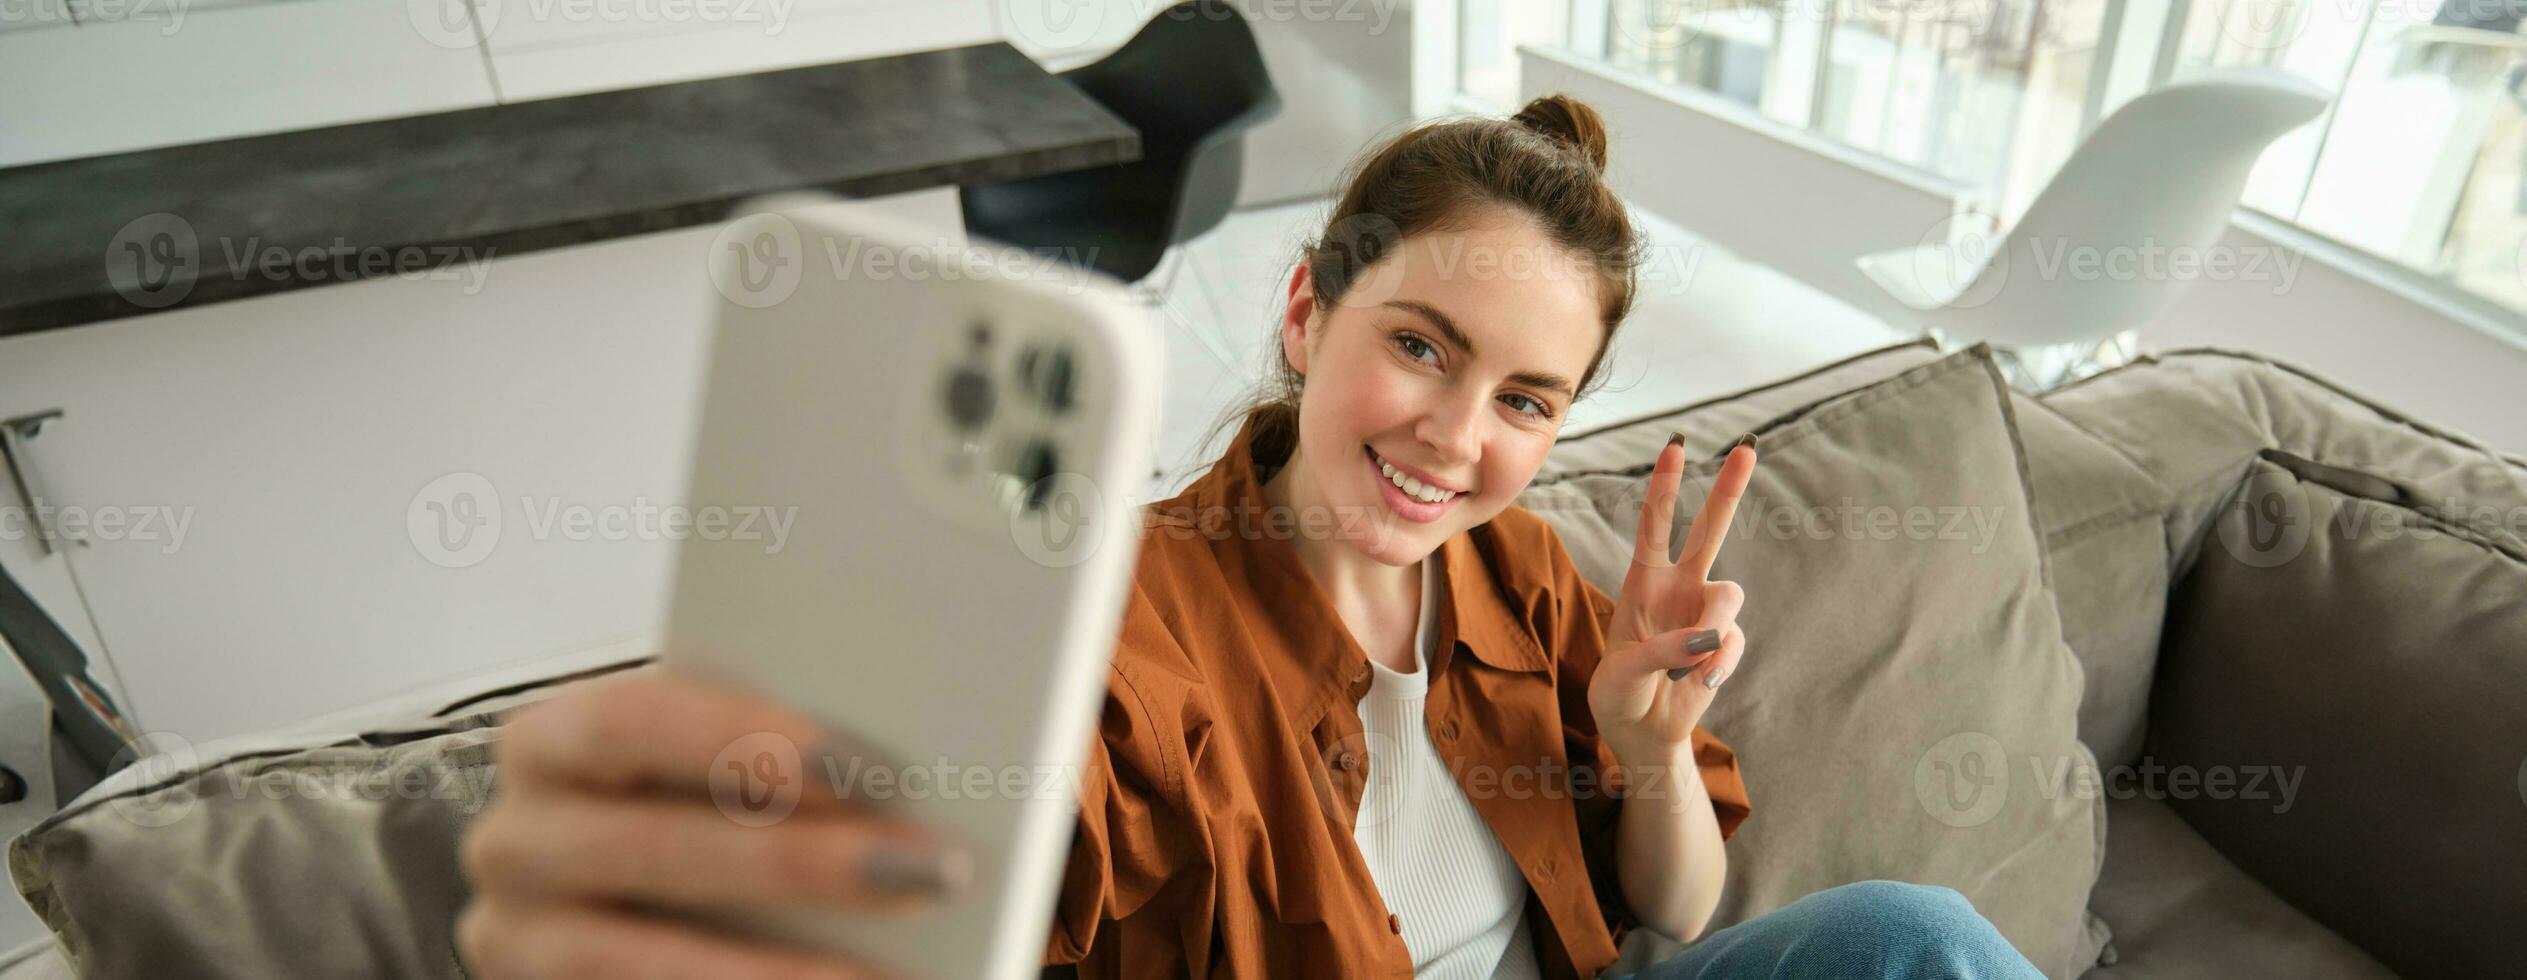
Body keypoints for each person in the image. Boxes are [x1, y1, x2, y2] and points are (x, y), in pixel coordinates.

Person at [454, 93, 2045, 980]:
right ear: (1308, 311)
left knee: (1925, 942)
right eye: (1419, 346)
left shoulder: (1531, 576)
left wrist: (1643, 739)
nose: (1454, 437)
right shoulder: (1119, 637)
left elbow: (1685, 915)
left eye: (1525, 399)